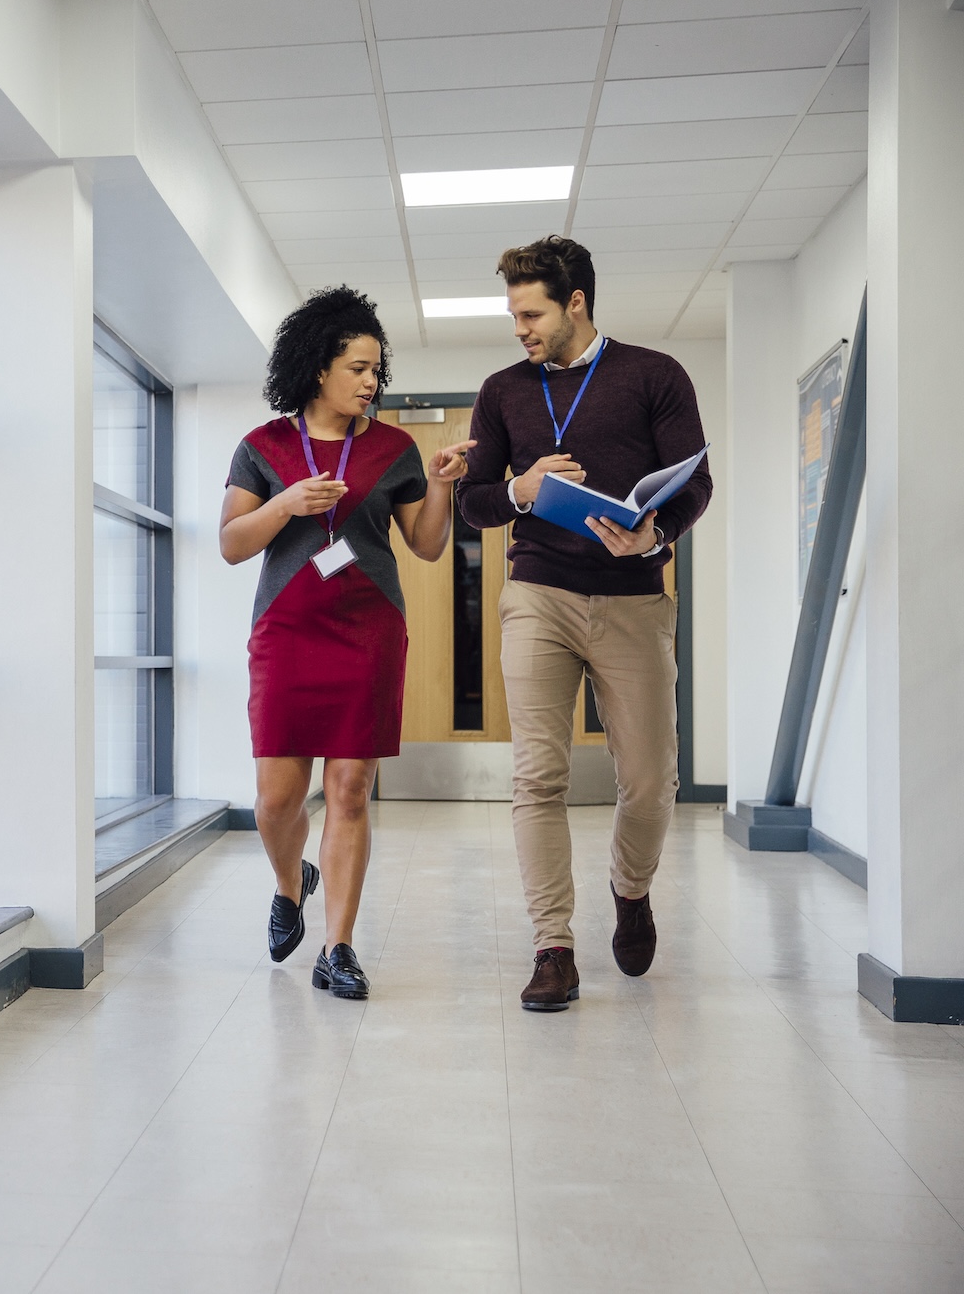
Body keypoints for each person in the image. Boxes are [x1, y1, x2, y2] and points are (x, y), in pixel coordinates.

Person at [456, 235, 713, 1013]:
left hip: (634, 597)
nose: (519, 328)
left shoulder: (654, 376)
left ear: (577, 303)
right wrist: (523, 489)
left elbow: (695, 485)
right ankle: (553, 946)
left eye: (530, 312)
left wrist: (655, 533)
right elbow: (474, 501)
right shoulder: (503, 389)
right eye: (513, 314)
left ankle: (630, 889)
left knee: (649, 781)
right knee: (538, 774)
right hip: (538, 593)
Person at [221, 287, 473, 998]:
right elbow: (232, 544)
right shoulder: (263, 447)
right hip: (286, 632)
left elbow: (425, 547)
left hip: (368, 631)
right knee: (276, 799)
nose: (371, 381)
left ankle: (338, 946)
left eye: (376, 369)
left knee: (350, 789)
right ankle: (289, 879)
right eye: (358, 367)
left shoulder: (394, 448)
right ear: (318, 366)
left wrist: (444, 487)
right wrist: (284, 504)